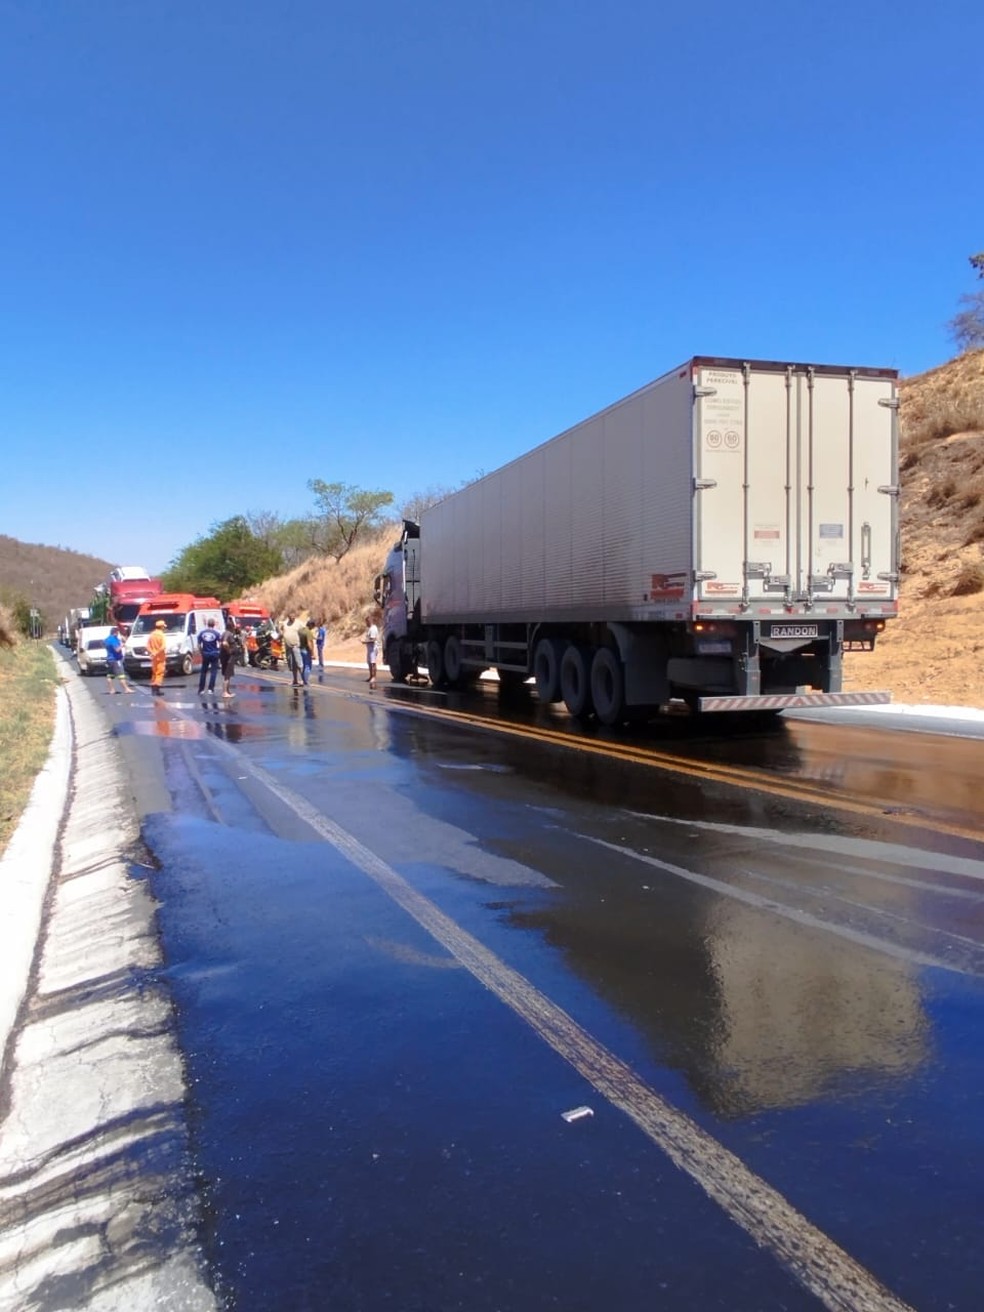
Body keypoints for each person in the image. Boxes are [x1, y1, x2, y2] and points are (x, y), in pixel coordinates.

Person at [103, 626, 133, 694]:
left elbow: (104, 645)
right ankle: (126, 689)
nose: (118, 634)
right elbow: (117, 650)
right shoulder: (113, 640)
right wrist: (122, 645)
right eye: (118, 633)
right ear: (115, 632)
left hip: (109, 659)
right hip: (116, 660)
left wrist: (122, 640)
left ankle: (112, 690)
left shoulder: (107, 639)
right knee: (121, 675)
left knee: (110, 675)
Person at [198, 616, 222, 694]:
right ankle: (210, 689)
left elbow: (199, 644)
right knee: (213, 672)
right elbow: (220, 643)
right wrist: (219, 651)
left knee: (203, 672)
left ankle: (201, 689)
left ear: (207, 624)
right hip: (214, 653)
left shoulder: (202, 633)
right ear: (214, 625)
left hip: (205, 653)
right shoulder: (217, 633)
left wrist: (201, 652)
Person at [148, 619, 167, 696]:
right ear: (162, 627)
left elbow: (147, 646)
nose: (164, 628)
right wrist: (156, 652)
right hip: (160, 657)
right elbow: (163, 646)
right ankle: (157, 690)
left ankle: (153, 690)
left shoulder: (152, 634)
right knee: (160, 673)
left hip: (153, 658)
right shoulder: (161, 635)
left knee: (154, 673)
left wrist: (152, 652)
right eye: (164, 627)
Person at [281, 613, 301, 686]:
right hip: (288, 647)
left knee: (299, 663)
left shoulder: (299, 623)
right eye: (290, 617)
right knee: (292, 664)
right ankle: (295, 680)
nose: (292, 618)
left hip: (296, 646)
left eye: (293, 617)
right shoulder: (285, 623)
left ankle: (304, 680)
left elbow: (303, 632)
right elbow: (281, 630)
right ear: (288, 617)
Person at [220, 622, 239, 698]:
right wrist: (229, 651)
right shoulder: (229, 634)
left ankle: (227, 691)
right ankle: (225, 692)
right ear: (231, 627)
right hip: (228, 658)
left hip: (225, 657)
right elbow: (224, 643)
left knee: (227, 675)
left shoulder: (224, 633)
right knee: (227, 675)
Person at [363, 612, 380, 690]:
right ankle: (370, 676)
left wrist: (365, 642)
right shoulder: (370, 629)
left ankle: (374, 677)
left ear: (369, 621)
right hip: (369, 648)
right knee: (369, 662)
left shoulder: (373, 629)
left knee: (373, 663)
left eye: (366, 622)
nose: (366, 623)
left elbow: (373, 640)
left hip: (373, 648)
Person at [297, 617, 314, 686]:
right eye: (313, 626)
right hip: (306, 650)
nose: (313, 628)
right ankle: (306, 681)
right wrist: (312, 653)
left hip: (300, 649)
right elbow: (309, 643)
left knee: (303, 666)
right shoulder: (308, 632)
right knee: (308, 666)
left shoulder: (300, 630)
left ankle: (303, 680)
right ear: (311, 625)